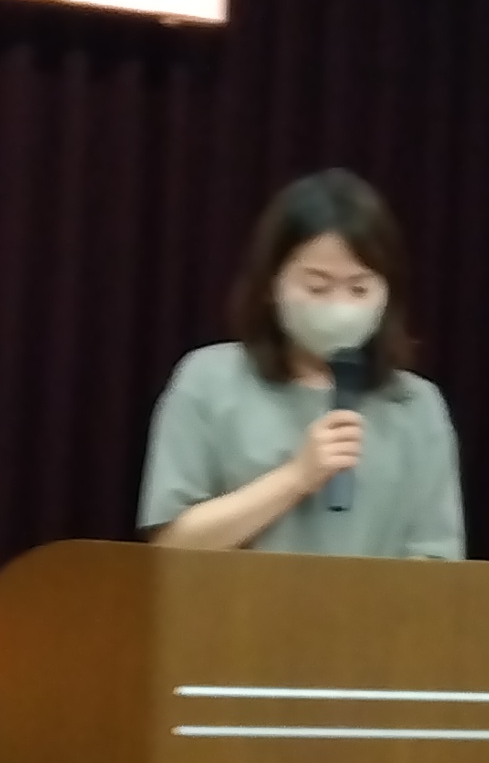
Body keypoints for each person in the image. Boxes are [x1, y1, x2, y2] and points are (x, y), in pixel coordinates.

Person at [139, 168, 465, 559]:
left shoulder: (416, 405)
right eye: (317, 286)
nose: (340, 307)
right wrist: (297, 476)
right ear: (270, 285)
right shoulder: (209, 380)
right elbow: (171, 547)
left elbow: (438, 562)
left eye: (359, 288)